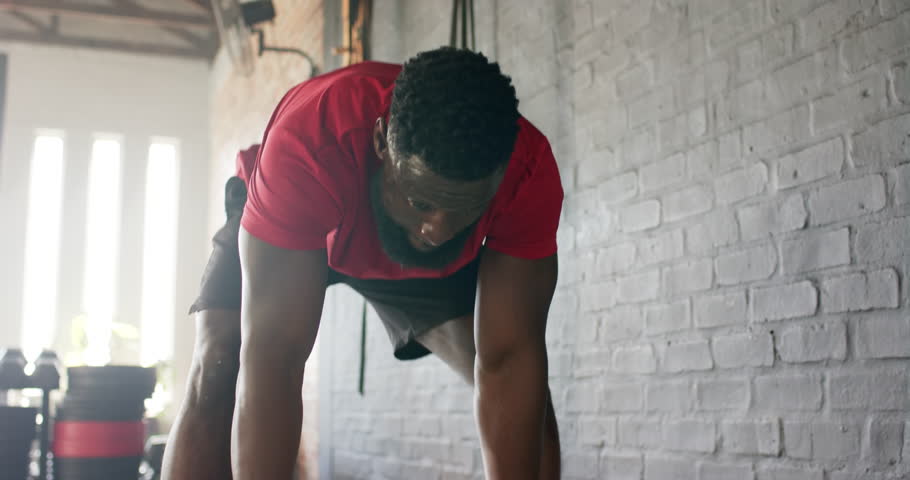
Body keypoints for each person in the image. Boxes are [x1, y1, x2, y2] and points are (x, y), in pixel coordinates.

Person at [161, 47, 563, 480]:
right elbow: (276, 355)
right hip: (298, 217)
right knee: (222, 355)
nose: (437, 230)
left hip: (420, 265)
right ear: (379, 143)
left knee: (525, 395)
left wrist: (436, 210)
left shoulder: (528, 171)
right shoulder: (310, 140)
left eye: (463, 210)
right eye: (422, 201)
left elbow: (508, 358)